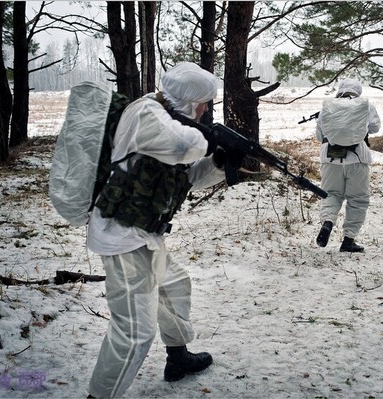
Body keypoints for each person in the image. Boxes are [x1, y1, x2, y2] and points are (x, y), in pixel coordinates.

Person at [86, 62, 239, 398]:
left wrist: (219, 162)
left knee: (173, 284)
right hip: (121, 238)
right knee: (135, 333)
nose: (204, 112)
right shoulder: (147, 114)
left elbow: (184, 176)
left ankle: (178, 357)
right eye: (202, 105)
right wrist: (213, 139)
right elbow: (185, 146)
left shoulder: (168, 122)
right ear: (188, 101)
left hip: (144, 233)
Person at [314, 78, 380, 253]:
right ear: (357, 91)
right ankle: (349, 239)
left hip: (330, 159)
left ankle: (328, 222)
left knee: (331, 194)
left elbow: (320, 135)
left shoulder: (328, 106)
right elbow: (375, 128)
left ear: (340, 89)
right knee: (357, 199)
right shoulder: (365, 105)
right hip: (357, 159)